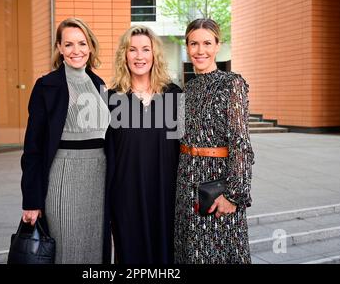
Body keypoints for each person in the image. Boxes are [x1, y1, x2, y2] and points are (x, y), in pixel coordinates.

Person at [20, 17, 110, 264]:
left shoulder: (99, 84)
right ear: (59, 48)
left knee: (95, 252)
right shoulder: (46, 85)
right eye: (68, 44)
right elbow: (33, 149)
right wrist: (31, 200)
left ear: (90, 46)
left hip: (99, 180)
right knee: (66, 251)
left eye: (82, 43)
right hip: (64, 177)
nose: (76, 50)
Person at [174, 18, 254, 264]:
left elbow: (240, 143)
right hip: (186, 182)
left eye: (207, 43)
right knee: (189, 252)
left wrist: (234, 195)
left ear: (218, 45)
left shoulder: (232, 84)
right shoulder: (186, 90)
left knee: (217, 254)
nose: (200, 51)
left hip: (217, 185)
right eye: (194, 44)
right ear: (187, 46)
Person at [104, 25, 182, 264]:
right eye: (133, 50)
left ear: (154, 54)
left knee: (165, 255)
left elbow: (185, 148)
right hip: (126, 196)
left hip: (165, 193)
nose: (139, 56)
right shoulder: (111, 99)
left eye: (145, 49)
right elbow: (105, 154)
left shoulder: (174, 95)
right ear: (124, 56)